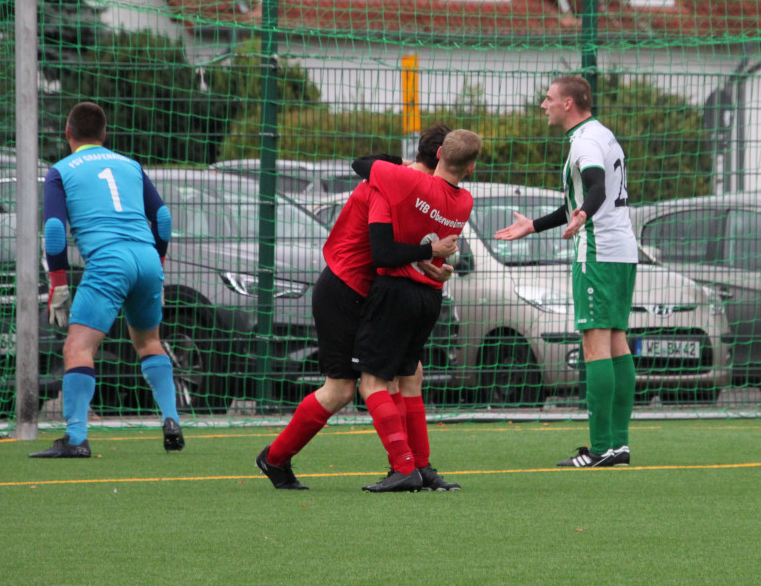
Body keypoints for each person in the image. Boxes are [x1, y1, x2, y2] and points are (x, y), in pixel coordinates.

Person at [254, 125, 460, 490]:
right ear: (440, 160)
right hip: (344, 289)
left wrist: (436, 266)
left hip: (377, 292)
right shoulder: (393, 184)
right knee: (342, 389)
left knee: (410, 374)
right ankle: (275, 458)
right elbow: (384, 251)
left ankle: (418, 467)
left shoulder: (419, 187)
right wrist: (429, 252)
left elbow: (412, 243)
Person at [494, 75, 637, 468]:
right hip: (622, 250)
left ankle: (601, 448)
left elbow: (596, 188)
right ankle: (619, 445)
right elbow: (582, 197)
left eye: (549, 98)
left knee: (595, 345)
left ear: (569, 103)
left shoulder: (585, 141)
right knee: (616, 342)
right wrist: (534, 225)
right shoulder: (602, 134)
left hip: (598, 252)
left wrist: (584, 215)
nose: (544, 105)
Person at [30, 102, 182, 458]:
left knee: (77, 348)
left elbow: (55, 231)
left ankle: (76, 439)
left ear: (68, 133)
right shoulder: (130, 165)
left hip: (109, 262)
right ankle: (172, 421)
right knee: (149, 342)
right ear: (105, 134)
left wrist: (58, 283)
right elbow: (162, 218)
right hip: (146, 259)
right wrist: (158, 263)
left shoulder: (60, 171)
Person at [351, 129, 482, 492]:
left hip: (396, 290)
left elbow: (360, 164)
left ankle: (403, 466)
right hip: (430, 297)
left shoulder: (408, 182)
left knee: (371, 382)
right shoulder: (465, 201)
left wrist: (401, 164)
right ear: (470, 168)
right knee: (408, 380)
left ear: (438, 154)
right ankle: (421, 467)